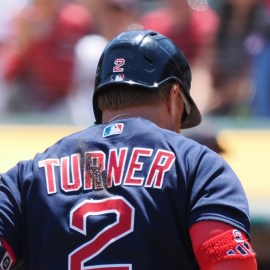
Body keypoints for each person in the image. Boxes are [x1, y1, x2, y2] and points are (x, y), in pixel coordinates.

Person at [0, 30, 257, 270]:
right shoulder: (199, 166)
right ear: (174, 97)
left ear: (101, 99)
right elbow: (231, 264)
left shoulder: (27, 177)